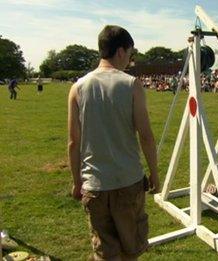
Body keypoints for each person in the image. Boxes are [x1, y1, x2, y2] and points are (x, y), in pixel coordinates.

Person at [67, 25, 160, 260]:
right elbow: (146, 136)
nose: (130, 59)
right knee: (131, 249)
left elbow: (73, 142)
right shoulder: (131, 84)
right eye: (130, 53)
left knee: (105, 254)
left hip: (95, 186)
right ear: (120, 51)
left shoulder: (77, 88)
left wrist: (77, 182)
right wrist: (155, 174)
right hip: (128, 182)